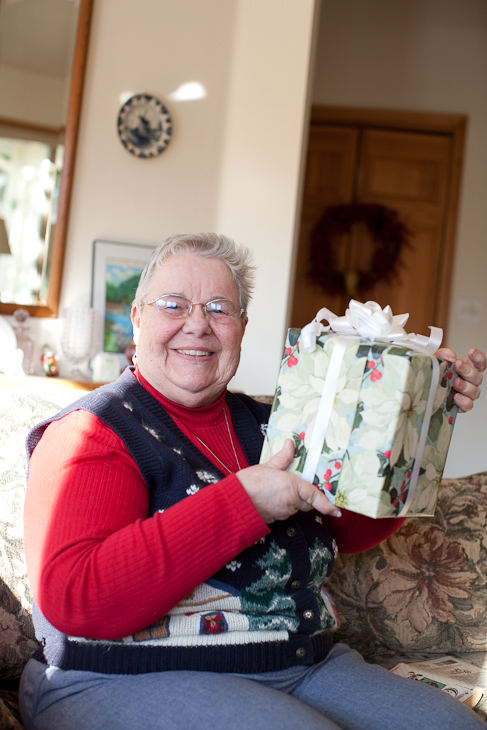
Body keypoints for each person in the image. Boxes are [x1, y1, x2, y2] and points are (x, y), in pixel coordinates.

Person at [19, 233, 486, 730]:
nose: (197, 324)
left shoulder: (277, 422)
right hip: (119, 674)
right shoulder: (96, 430)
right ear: (137, 318)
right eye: (174, 304)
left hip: (298, 663)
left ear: (242, 327)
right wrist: (246, 502)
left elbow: (348, 527)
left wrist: (417, 422)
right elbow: (76, 596)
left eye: (219, 309)